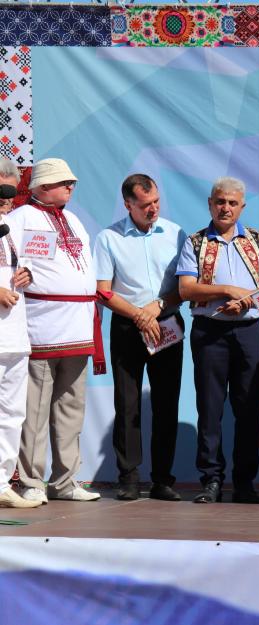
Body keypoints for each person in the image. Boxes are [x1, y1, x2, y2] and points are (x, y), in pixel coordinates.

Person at [177, 177, 259, 504]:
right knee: (210, 409)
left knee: (248, 409)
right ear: (210, 203)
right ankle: (211, 480)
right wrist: (227, 290)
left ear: (242, 207)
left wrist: (246, 300)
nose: (225, 208)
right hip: (210, 330)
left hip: (249, 330)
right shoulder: (196, 241)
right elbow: (186, 289)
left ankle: (245, 482)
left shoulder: (256, 239)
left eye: (232, 203)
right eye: (220, 202)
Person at [7, 158, 104, 503]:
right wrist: (19, 275)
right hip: (43, 326)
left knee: (71, 408)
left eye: (72, 182)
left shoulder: (74, 220)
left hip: (78, 326)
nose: (71, 187)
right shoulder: (20, 218)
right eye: (65, 182)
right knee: (35, 410)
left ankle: (65, 480)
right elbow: (6, 260)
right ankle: (31, 480)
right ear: (44, 185)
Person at [93, 174, 187, 501]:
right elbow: (103, 290)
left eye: (156, 202)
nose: (153, 209)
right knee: (127, 404)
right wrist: (138, 315)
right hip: (127, 326)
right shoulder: (109, 238)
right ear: (128, 204)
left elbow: (185, 287)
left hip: (166, 323)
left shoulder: (176, 233)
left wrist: (156, 307)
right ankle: (129, 479)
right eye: (145, 204)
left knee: (166, 403)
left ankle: (162, 480)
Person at [0, 174, 40, 508]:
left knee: (12, 414)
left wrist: (26, 275)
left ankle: (1, 484)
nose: (7, 197)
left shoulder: (11, 228)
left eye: (11, 191)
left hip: (14, 336)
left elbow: (20, 268)